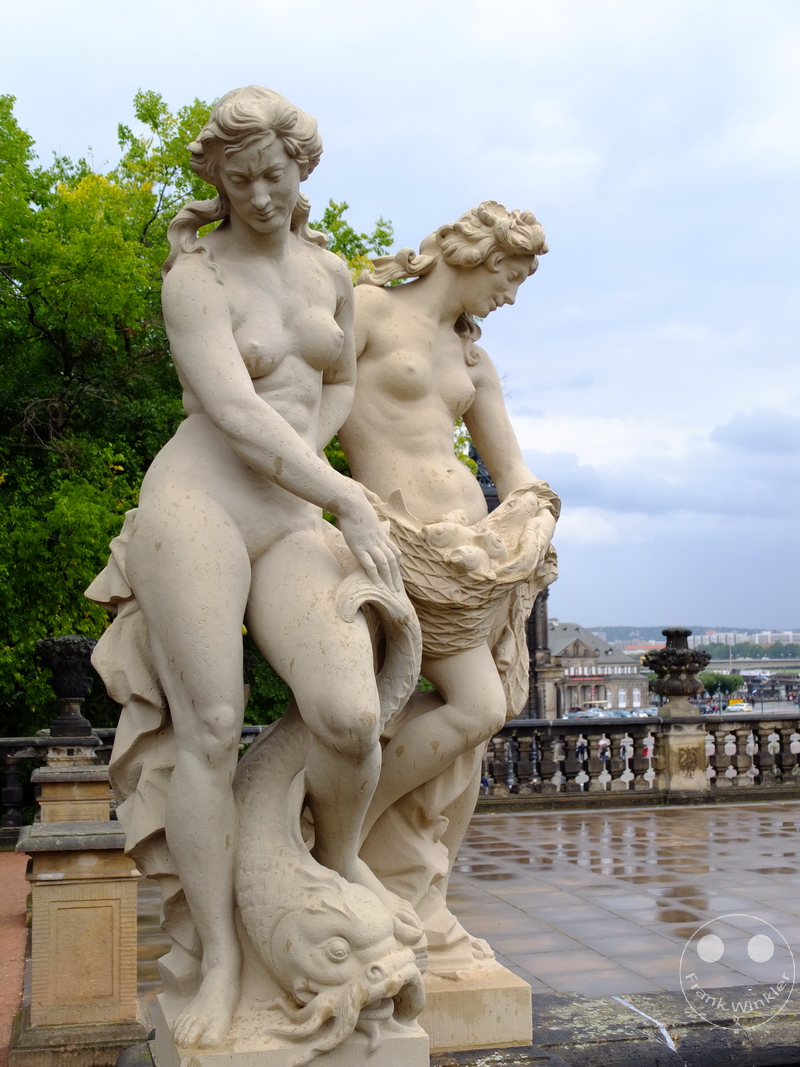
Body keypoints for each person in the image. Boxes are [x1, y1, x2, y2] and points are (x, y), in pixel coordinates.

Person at [88, 86, 410, 1050]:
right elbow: (230, 408)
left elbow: (342, 371)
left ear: (301, 172)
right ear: (217, 182)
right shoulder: (197, 278)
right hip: (200, 503)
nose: (260, 194)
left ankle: (340, 856)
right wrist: (347, 494)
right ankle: (222, 957)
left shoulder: (331, 272)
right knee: (213, 728)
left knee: (349, 714)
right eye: (239, 179)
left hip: (290, 505)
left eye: (275, 174)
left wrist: (319, 450)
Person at [338, 203, 559, 920]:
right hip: (397, 542)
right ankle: (336, 840)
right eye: (510, 274)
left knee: (478, 721)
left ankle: (411, 879)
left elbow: (516, 471)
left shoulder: (473, 359)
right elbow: (304, 419)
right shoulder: (366, 309)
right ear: (474, 254)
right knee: (478, 706)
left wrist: (534, 517)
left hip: (475, 560)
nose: (513, 295)